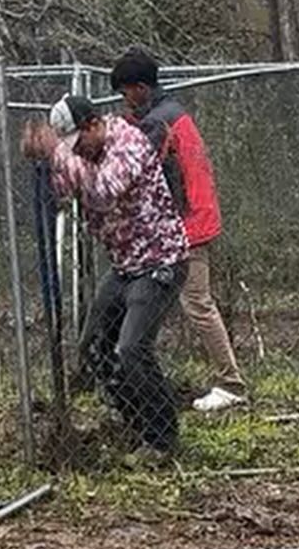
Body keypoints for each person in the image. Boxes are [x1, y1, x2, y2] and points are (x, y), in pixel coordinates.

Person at [22, 97, 189, 458]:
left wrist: (60, 156)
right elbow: (65, 188)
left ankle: (162, 439)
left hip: (160, 261)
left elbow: (104, 190)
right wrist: (47, 158)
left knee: (132, 348)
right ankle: (135, 424)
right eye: (71, 148)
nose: (77, 152)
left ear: (94, 124)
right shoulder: (84, 155)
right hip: (125, 266)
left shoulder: (128, 142)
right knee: (94, 345)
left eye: (79, 143)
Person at [109, 47, 248, 413]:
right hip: (191, 218)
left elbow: (136, 168)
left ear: (139, 88)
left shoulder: (159, 122)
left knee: (197, 303)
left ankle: (231, 383)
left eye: (125, 92)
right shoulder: (170, 114)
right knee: (178, 303)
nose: (125, 100)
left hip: (189, 224)